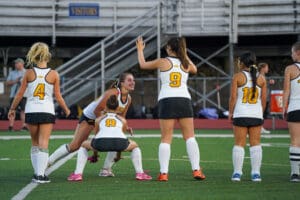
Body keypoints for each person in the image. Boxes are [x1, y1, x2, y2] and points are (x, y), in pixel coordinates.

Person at [136, 36, 206, 181]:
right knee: (190, 137)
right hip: (183, 100)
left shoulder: (163, 61)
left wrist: (140, 50)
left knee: (166, 138)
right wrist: (184, 52)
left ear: (169, 48)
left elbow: (142, 64)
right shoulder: (185, 63)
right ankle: (197, 170)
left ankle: (163, 173)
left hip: (167, 100)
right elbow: (195, 69)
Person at [48, 73, 135, 177]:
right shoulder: (112, 93)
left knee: (116, 139)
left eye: (133, 80)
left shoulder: (128, 99)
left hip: (103, 119)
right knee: (75, 146)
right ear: (122, 83)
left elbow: (121, 117)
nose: (133, 82)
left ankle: (106, 170)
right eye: (129, 80)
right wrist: (103, 125)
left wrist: (125, 127)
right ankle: (48, 162)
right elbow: (97, 111)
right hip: (90, 117)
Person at [8, 42, 70, 183]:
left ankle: (37, 173)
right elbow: (58, 96)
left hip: (31, 111)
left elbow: (19, 94)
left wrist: (12, 109)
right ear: (47, 56)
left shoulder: (29, 73)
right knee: (44, 142)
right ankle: (40, 175)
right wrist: (66, 109)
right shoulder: (54, 74)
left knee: (35, 142)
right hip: (47, 111)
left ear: (34, 56)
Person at [68, 95, 152, 181]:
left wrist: (95, 155)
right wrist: (118, 156)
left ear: (106, 107)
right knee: (135, 146)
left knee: (83, 145)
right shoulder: (122, 120)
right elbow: (120, 136)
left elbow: (96, 138)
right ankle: (140, 173)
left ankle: (77, 174)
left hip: (100, 143)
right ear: (118, 108)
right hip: (119, 143)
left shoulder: (98, 119)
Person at [228, 51, 267, 182]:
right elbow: (263, 99)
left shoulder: (238, 76)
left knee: (239, 144)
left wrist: (230, 112)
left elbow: (233, 98)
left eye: (239, 61)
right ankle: (256, 173)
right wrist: (260, 113)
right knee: (255, 144)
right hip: (256, 115)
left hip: (241, 114)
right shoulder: (261, 78)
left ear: (242, 63)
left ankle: (237, 173)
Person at [282, 41, 300, 182]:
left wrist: (284, 107)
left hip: (295, 107)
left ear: (297, 53)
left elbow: (286, 90)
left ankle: (295, 174)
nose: (291, 55)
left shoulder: (290, 69)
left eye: (292, 52)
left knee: (295, 141)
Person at [6, 58, 27, 131]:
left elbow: (31, 83)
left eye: (17, 63)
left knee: (23, 110)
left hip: (24, 95)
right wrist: (15, 81)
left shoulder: (27, 72)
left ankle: (24, 126)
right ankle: (11, 126)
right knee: (12, 110)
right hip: (14, 95)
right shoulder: (12, 73)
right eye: (15, 63)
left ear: (22, 64)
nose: (15, 65)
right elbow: (7, 83)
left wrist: (23, 83)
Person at [258, 62, 275, 134]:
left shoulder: (263, 76)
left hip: (265, 98)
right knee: (259, 113)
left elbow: (264, 86)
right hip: (260, 99)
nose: (267, 69)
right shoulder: (258, 76)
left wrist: (269, 83)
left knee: (263, 114)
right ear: (262, 68)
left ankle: (260, 127)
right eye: (266, 67)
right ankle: (258, 127)